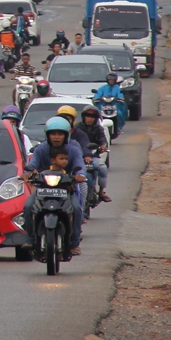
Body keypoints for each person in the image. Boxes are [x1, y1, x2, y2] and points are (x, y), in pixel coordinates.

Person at [23, 117, 86, 255]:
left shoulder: (73, 150)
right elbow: (32, 164)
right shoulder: (41, 149)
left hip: (66, 189)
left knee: (76, 209)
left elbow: (80, 166)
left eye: (60, 134)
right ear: (47, 135)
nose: (56, 137)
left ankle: (74, 242)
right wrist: (28, 173)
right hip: (43, 189)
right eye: (53, 134)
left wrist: (79, 175)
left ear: (66, 135)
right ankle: (30, 238)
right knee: (28, 206)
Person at [78, 105, 110, 203]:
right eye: (87, 116)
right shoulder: (77, 128)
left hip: (93, 157)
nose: (90, 119)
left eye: (92, 117)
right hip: (79, 158)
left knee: (102, 167)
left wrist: (103, 146)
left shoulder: (99, 129)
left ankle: (101, 192)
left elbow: (103, 140)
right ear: (83, 117)